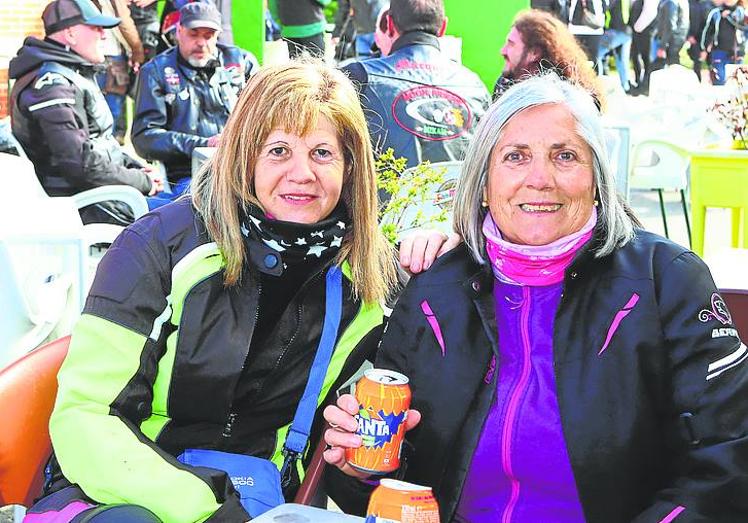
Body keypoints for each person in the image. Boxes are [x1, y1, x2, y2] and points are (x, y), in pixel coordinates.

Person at [24, 60, 453, 522]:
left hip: (262, 500)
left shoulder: (369, 280)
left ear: (350, 167)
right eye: (278, 150)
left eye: (323, 153)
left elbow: (361, 462)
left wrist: (451, 247)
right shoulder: (158, 247)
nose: (302, 173)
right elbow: (84, 417)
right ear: (243, 157)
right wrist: (210, 512)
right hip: (117, 492)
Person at [323, 73, 748, 521]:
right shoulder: (434, 291)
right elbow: (381, 483)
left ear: (596, 179)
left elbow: (729, 459)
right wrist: (359, 469)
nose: (540, 179)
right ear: (484, 184)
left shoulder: (665, 282)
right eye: (515, 157)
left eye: (565, 156)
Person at [9, 0, 162, 225]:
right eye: (96, 28)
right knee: (191, 214)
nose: (103, 35)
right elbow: (80, 165)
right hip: (86, 206)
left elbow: (99, 143)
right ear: (70, 33)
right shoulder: (52, 85)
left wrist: (135, 166)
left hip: (104, 196)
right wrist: (142, 181)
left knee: (189, 198)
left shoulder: (69, 73)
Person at [132, 1, 256, 208]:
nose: (201, 42)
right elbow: (144, 138)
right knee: (215, 201)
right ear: (179, 31)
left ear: (217, 36)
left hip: (244, 168)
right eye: (194, 34)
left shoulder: (241, 62)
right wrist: (203, 144)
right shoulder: (156, 71)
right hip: (188, 175)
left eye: (208, 36)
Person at [342, 0, 490, 169]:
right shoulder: (476, 86)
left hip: (384, 194)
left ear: (389, 25)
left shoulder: (358, 77)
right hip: (456, 195)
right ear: (443, 28)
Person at [494, 9, 604, 105]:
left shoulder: (566, 99)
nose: (503, 51)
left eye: (511, 44)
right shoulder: (504, 86)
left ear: (534, 53)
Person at [93, 0, 145, 144]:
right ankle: (113, 145)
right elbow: (124, 24)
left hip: (89, 55)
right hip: (112, 56)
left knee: (94, 107)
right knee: (113, 109)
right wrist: (137, 52)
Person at [701, 0, 746, 85]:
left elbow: (744, 29)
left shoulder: (742, 12)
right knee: (719, 80)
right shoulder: (715, 12)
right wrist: (704, 48)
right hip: (719, 51)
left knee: (736, 83)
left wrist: (731, 17)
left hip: (737, 53)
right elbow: (707, 31)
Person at [596, 0, 633, 92]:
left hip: (615, 31)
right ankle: (626, 87)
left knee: (597, 54)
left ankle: (598, 85)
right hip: (627, 31)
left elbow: (605, 8)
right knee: (622, 60)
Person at [654, 0, 690, 67]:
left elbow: (670, 26)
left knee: (660, 68)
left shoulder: (671, 2)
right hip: (678, 39)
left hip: (670, 41)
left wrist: (662, 47)